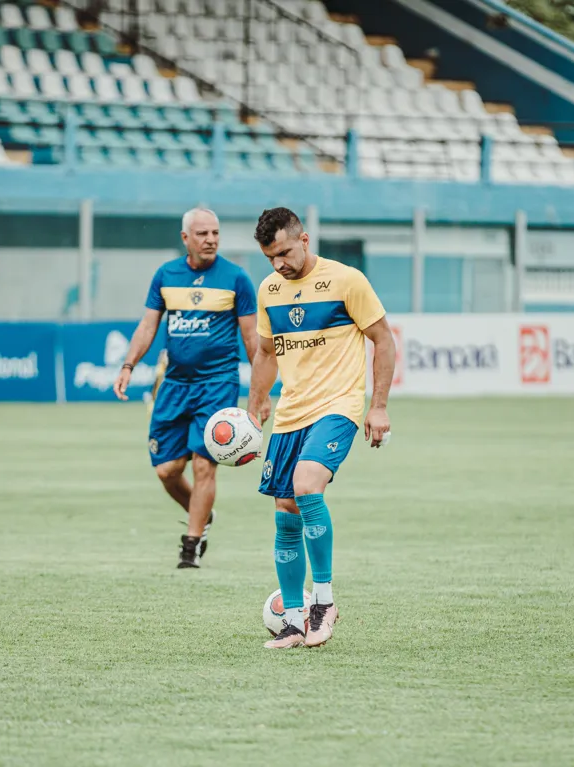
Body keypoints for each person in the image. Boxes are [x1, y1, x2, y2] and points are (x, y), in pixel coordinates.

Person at [246, 207, 396, 649]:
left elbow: (383, 340)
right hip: (291, 413)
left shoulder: (347, 280)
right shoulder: (269, 289)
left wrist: (379, 406)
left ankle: (324, 603)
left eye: (285, 253)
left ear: (305, 239)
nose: (279, 264)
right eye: (270, 256)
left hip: (338, 406)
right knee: (285, 511)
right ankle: (293, 621)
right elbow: (267, 352)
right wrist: (256, 402)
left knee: (307, 485)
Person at [114, 208, 270, 569]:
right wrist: (127, 365)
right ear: (185, 238)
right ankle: (202, 512)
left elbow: (251, 339)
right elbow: (148, 326)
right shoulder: (166, 275)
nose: (211, 239)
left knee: (204, 467)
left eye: (215, 232)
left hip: (217, 385)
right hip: (174, 385)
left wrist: (259, 396)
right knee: (167, 470)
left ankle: (192, 544)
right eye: (202, 233)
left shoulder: (236, 278)